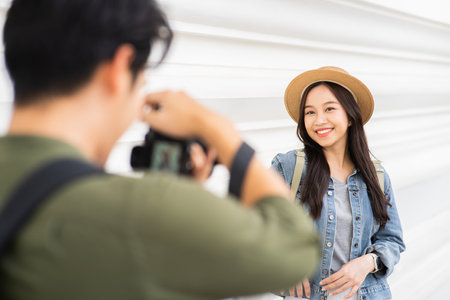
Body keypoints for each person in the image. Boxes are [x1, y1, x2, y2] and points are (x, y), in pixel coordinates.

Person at [0, 1, 321, 299]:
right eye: (141, 83)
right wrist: (219, 132)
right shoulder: (133, 212)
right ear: (120, 66)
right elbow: (296, 247)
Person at [271, 67, 405, 300]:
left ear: (351, 116)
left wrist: (366, 263)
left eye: (329, 109)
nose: (319, 120)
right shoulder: (289, 167)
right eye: (309, 112)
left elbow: (392, 241)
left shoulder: (377, 176)